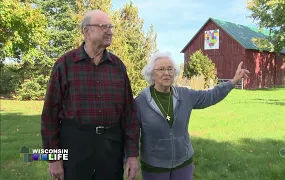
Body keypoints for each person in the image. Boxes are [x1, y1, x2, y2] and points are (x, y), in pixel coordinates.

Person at [41, 10, 139, 180]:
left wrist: (132, 155)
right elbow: (49, 115)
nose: (110, 31)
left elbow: (129, 114)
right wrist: (53, 158)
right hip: (75, 145)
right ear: (86, 31)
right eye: (104, 27)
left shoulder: (118, 67)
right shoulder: (65, 64)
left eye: (111, 27)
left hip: (111, 147)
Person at [134, 51, 250, 180]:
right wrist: (130, 158)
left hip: (183, 163)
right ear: (152, 74)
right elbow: (131, 133)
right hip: (154, 166)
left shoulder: (185, 95)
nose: (166, 73)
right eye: (161, 69)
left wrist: (233, 82)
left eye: (170, 69)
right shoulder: (140, 102)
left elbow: (210, 96)